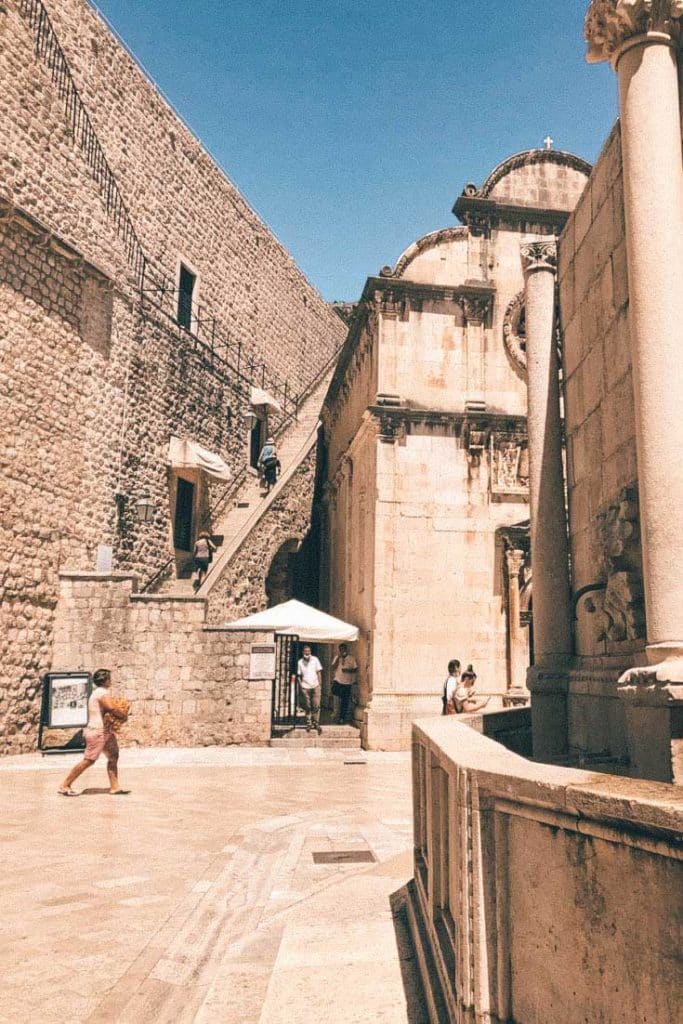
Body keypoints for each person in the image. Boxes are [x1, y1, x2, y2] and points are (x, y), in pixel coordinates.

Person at [58, 669, 130, 796]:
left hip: (105, 731)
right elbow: (110, 707)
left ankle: (115, 787)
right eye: (109, 678)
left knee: (113, 755)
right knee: (89, 760)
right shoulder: (101, 692)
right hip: (97, 731)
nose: (111, 680)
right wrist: (123, 714)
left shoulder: (99, 692)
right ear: (106, 680)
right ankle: (65, 785)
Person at [296, 644, 323, 734]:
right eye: (305, 651)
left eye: (308, 651)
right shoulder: (300, 662)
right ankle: (309, 722)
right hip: (305, 686)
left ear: (310, 652)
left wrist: (319, 684)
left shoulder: (315, 660)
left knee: (316, 705)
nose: (307, 653)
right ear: (303, 652)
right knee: (307, 706)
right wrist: (301, 686)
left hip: (315, 685)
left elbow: (319, 672)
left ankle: (316, 722)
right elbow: (298, 676)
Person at [331, 643, 357, 723]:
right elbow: (333, 667)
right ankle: (335, 714)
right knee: (336, 698)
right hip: (337, 681)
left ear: (346, 650)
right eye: (340, 649)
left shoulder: (351, 658)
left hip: (347, 683)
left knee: (344, 701)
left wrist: (348, 670)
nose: (342, 651)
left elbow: (355, 669)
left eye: (343, 649)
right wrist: (338, 658)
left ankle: (342, 717)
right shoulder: (337, 657)